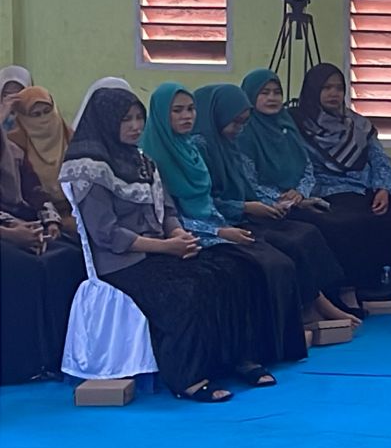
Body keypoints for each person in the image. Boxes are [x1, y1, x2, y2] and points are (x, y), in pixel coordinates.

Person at [59, 88, 258, 402]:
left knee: (228, 272)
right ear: (106, 122)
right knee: (184, 291)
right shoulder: (90, 168)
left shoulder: (143, 161)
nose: (136, 126)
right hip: (120, 263)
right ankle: (187, 378)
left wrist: (177, 234)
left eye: (140, 118)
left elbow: (166, 209)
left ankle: (233, 359)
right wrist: (165, 247)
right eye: (126, 119)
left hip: (157, 250)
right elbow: (106, 234)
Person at [141, 83, 307, 372]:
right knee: (247, 268)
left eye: (190, 109)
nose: (186, 116)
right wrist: (219, 232)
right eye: (177, 111)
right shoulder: (153, 158)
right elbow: (168, 215)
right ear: (160, 115)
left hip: (216, 225)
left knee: (273, 260)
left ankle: (266, 349)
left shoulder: (191, 149)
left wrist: (224, 226)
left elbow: (208, 203)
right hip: (188, 235)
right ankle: (239, 357)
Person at [194, 83, 359, 326]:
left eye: (243, 123)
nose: (239, 129)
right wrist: (250, 206)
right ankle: (312, 309)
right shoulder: (203, 147)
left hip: (251, 210)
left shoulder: (232, 142)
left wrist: (290, 199)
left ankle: (322, 303)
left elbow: (253, 183)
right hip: (226, 221)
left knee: (307, 233)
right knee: (290, 244)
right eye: (235, 123)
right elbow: (208, 201)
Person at [235, 68, 368, 319]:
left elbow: (307, 167)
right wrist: (283, 199)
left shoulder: (286, 124)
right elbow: (248, 182)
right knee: (320, 227)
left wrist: (300, 192)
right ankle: (322, 301)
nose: (272, 98)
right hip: (267, 205)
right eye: (264, 93)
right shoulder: (244, 133)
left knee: (337, 220)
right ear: (250, 96)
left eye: (277, 92)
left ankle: (339, 292)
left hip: (297, 198)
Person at [292, 63, 391, 301]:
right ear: (313, 90)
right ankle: (360, 284)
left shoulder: (357, 124)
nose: (333, 94)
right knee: (352, 218)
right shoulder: (299, 125)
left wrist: (383, 188)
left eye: (338, 88)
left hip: (364, 184)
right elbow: (301, 167)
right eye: (326, 88)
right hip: (325, 187)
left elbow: (378, 157)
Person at [0, 90, 84, 384]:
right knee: (24, 267)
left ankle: (57, 356)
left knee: (67, 255)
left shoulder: (14, 153)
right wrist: (12, 233)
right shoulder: (14, 143)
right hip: (7, 229)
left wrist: (49, 223)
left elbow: (33, 192)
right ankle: (22, 363)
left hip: (21, 222)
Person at [7, 86, 75, 235]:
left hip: (77, 214)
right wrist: (52, 220)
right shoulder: (13, 146)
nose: (44, 119)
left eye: (47, 111)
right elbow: (28, 191)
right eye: (36, 114)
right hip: (34, 221)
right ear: (22, 117)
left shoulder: (71, 137)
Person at [0, 65, 31, 131]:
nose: (12, 101)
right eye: (6, 95)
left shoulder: (38, 114)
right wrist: (2, 115)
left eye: (19, 94)